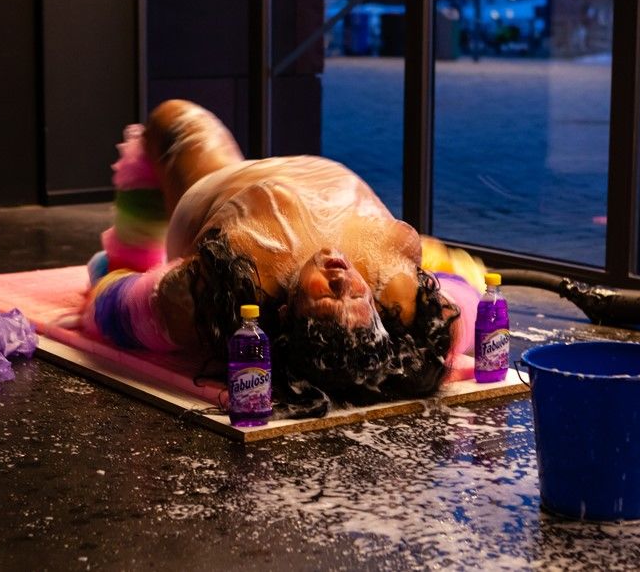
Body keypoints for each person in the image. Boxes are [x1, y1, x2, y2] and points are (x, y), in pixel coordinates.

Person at [82, 100, 483, 417]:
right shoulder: (399, 291)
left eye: (328, 296)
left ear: (288, 312)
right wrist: (453, 274)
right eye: (355, 297)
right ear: (376, 309)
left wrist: (115, 271)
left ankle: (127, 247)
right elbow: (468, 299)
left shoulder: (227, 285)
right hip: (315, 175)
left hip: (223, 187)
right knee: (436, 261)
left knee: (172, 119)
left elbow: (110, 309)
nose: (342, 278)